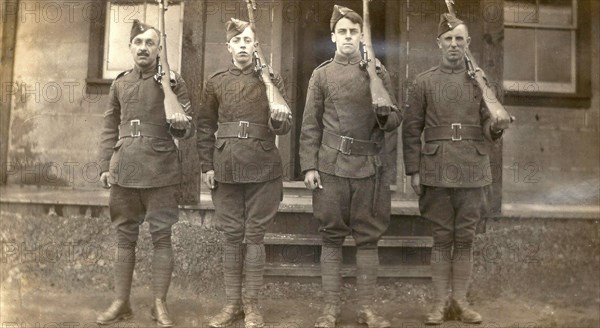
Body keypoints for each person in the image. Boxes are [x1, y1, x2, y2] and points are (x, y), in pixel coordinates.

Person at [402, 13, 509, 325]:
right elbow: (411, 130)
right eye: (448, 39)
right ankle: (438, 304)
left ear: (468, 44)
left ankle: (460, 302)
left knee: (465, 239)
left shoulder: (481, 82)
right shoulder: (423, 82)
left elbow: (491, 124)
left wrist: (498, 128)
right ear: (439, 44)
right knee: (440, 238)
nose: (453, 44)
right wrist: (413, 170)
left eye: (459, 39)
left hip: (473, 168)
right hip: (436, 168)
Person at [299, 5, 402, 328]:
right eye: (341, 32)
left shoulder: (379, 73)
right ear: (332, 37)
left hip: (368, 169)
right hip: (331, 168)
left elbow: (395, 120)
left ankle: (367, 309)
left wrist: (383, 112)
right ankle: (329, 310)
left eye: (353, 32)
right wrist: (309, 167)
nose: (347, 37)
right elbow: (310, 125)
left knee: (368, 239)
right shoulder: (322, 75)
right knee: (331, 237)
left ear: (361, 36)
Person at [196, 18, 292, 328]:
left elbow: (285, 125)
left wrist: (278, 117)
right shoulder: (215, 82)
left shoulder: (270, 80)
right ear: (228, 47)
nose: (242, 46)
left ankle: (252, 307)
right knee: (231, 237)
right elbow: (205, 126)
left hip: (263, 167)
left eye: (247, 40)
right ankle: (231, 305)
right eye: (236, 41)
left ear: (255, 46)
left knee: (254, 237)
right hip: (225, 168)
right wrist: (207, 165)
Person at [96, 19, 192, 327]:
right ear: (130, 48)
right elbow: (110, 126)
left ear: (158, 50)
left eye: (150, 43)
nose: (143, 48)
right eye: (138, 43)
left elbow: (186, 125)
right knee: (125, 238)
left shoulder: (173, 82)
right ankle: (120, 302)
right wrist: (103, 166)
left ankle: (159, 304)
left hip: (161, 170)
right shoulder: (120, 83)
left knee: (161, 237)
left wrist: (178, 118)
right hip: (124, 170)